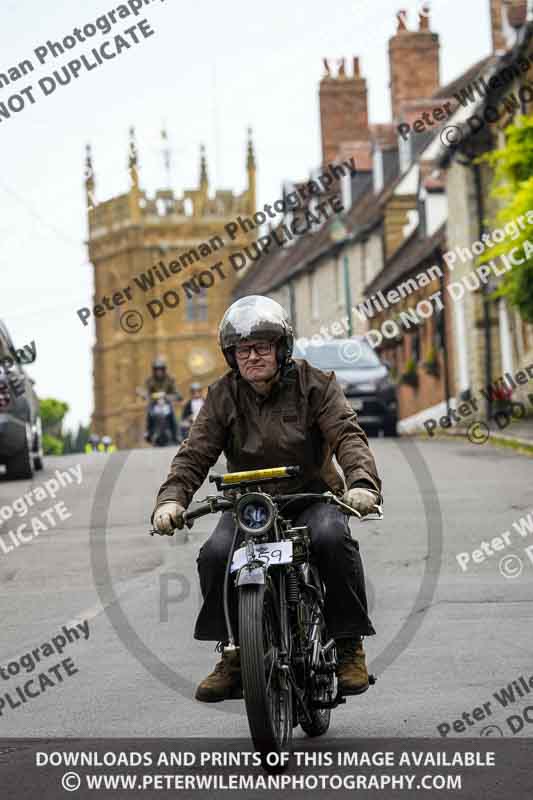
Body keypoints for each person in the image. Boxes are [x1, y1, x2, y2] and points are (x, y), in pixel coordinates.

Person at [151, 296, 382, 703]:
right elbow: (195, 452)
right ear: (231, 356)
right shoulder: (223, 396)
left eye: (261, 346)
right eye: (243, 350)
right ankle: (235, 653)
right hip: (250, 504)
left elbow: (347, 435)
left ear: (282, 348)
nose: (252, 356)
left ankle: (348, 645)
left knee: (332, 539)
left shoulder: (316, 384)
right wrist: (171, 499)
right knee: (215, 555)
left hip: (311, 495)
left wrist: (361, 484)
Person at [144, 357, 181, 444]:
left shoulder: (170, 380)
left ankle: (177, 434)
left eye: (160, 369)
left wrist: (172, 396)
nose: (159, 372)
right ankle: (148, 432)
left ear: (164, 370)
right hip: (155, 403)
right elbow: (146, 392)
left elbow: (176, 392)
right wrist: (146, 396)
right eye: (157, 370)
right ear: (154, 370)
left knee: (172, 414)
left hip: (166, 403)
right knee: (149, 413)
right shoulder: (150, 381)